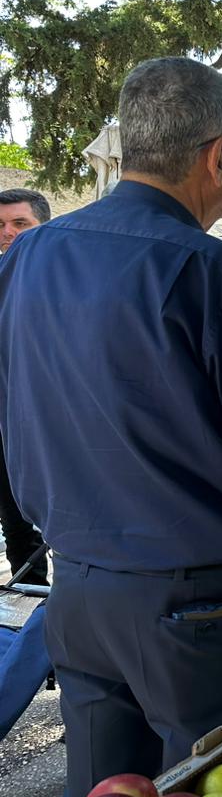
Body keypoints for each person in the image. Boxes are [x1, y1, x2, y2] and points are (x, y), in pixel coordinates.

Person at [0, 57, 222, 797]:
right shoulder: (215, 271)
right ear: (217, 155)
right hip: (205, 605)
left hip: (81, 589)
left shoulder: (29, 256)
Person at [0, 188, 52, 586]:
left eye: (20, 223)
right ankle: (28, 609)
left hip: (48, 427)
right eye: (0, 225)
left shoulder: (63, 283)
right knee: (16, 528)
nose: (8, 233)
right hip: (4, 427)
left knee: (54, 529)